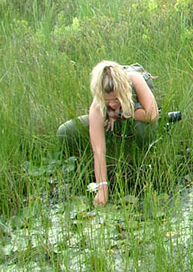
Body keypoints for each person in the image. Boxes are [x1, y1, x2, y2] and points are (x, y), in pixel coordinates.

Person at [57, 61, 159, 205]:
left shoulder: (135, 79)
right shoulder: (97, 105)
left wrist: (122, 112)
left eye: (116, 99)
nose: (111, 104)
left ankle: (141, 160)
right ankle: (85, 166)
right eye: (107, 101)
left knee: (142, 129)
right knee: (65, 131)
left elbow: (152, 115)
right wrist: (102, 189)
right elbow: (98, 150)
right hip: (116, 115)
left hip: (139, 113)